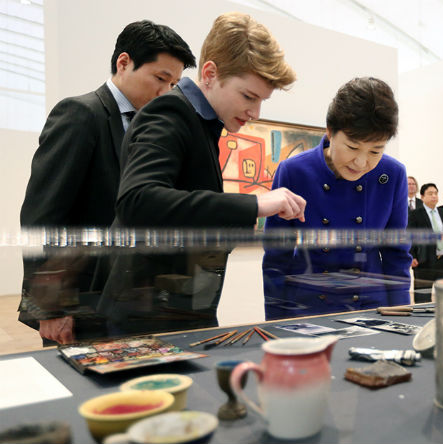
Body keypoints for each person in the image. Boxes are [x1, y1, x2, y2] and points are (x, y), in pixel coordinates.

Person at [98, 12, 304, 336]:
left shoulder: (200, 124)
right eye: (248, 96)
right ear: (209, 74)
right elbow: (138, 200)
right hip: (147, 319)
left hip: (178, 312)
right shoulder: (170, 112)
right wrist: (253, 205)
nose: (255, 113)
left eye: (262, 100)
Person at [18, 20, 197, 344]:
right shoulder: (81, 114)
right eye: (160, 78)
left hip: (131, 302)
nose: (165, 92)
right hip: (82, 300)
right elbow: (41, 216)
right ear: (123, 62)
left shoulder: (153, 128)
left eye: (173, 84)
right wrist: (50, 307)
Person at [262, 77, 412, 320]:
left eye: (376, 151)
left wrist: (400, 317)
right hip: (308, 309)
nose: (362, 162)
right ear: (330, 132)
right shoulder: (294, 171)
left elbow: (397, 254)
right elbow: (277, 257)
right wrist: (275, 322)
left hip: (373, 308)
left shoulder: (393, 174)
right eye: (353, 147)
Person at [408, 183, 443, 297]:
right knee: (423, 298)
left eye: (436, 193)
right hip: (424, 261)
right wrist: (412, 255)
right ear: (422, 197)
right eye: (430, 193)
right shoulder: (415, 214)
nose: (434, 196)